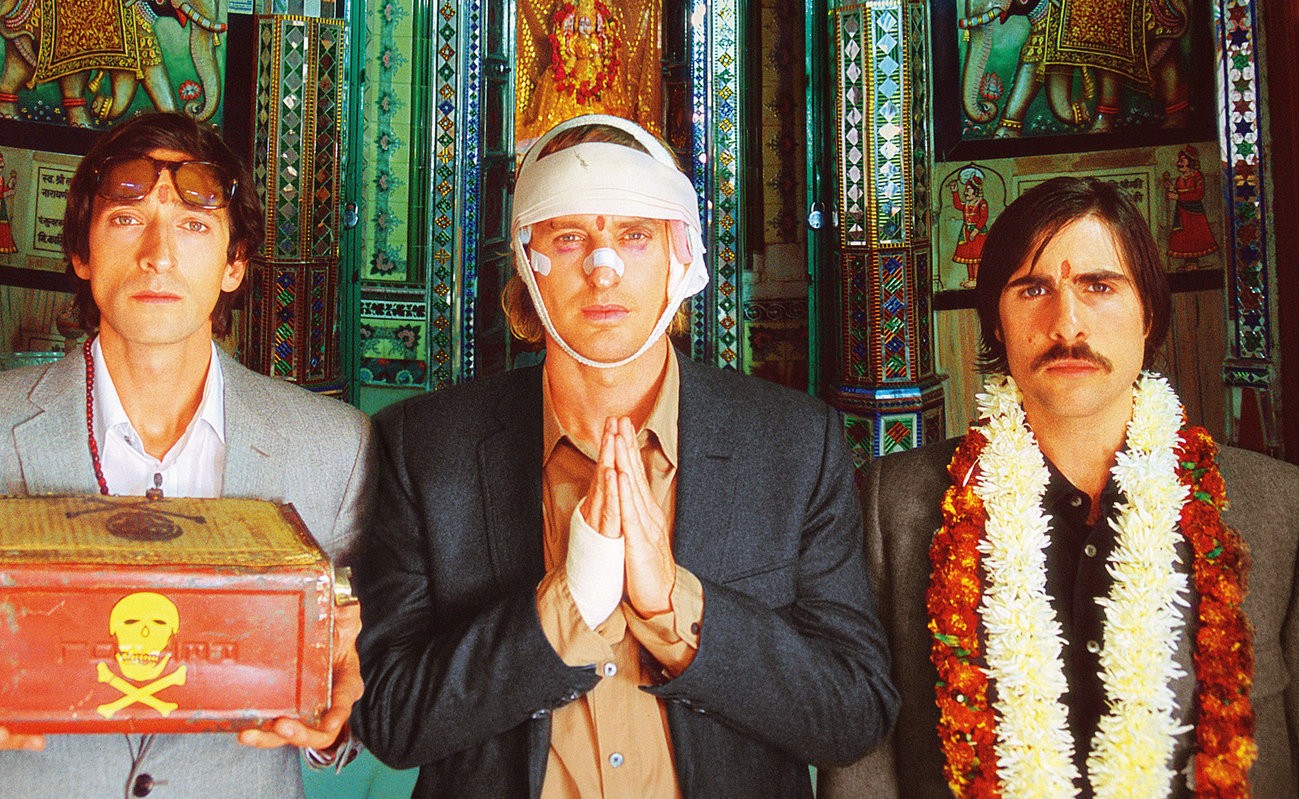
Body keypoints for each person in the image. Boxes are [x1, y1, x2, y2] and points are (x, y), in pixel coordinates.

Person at [349, 114, 897, 797]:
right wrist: (563, 608)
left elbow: (853, 714)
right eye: (569, 236)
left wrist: (675, 608)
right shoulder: (426, 448)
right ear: (527, 264)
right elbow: (390, 717)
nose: (602, 269)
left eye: (635, 235)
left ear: (681, 255)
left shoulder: (793, 445)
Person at [0, 112, 368, 798]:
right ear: (82, 253)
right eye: (126, 219)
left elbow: (355, 696)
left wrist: (340, 712)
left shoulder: (334, 448)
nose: (158, 254)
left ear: (235, 263)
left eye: (194, 225)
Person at [821, 176, 1299, 798]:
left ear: (1149, 315)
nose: (1067, 324)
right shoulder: (897, 505)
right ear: (996, 322)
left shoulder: (1279, 507)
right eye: (1033, 289)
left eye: (1099, 286)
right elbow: (864, 756)